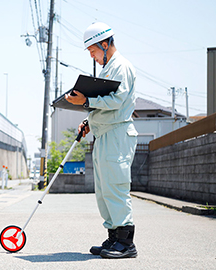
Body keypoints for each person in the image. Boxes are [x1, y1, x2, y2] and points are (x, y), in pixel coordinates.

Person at [65, 22, 138, 259]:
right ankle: (114, 237)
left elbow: (117, 101)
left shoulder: (122, 67)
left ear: (105, 45)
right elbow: (103, 105)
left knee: (116, 186)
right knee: (104, 190)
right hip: (104, 134)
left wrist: (86, 103)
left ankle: (126, 243)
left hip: (117, 135)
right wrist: (89, 120)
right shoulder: (108, 70)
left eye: (93, 51)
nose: (93, 56)